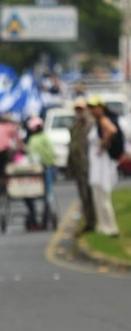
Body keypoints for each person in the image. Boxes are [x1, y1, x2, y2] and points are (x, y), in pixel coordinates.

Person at [86, 96, 120, 237]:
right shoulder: (96, 122)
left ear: (101, 107)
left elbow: (112, 130)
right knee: (98, 196)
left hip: (102, 164)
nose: (92, 110)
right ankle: (103, 226)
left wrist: (103, 144)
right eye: (91, 108)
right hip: (96, 164)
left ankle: (111, 227)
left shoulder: (103, 120)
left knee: (103, 196)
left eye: (94, 107)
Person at [67, 98, 96, 233]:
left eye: (81, 109)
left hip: (91, 165)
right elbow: (72, 146)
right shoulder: (74, 126)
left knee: (92, 195)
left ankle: (94, 221)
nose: (79, 112)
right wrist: (70, 165)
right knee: (83, 195)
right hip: (79, 166)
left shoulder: (92, 125)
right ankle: (89, 221)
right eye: (77, 109)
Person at [24, 117, 56, 230]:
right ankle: (45, 220)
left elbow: (32, 157)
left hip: (36, 171)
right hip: (47, 168)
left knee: (29, 195)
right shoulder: (46, 138)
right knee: (47, 194)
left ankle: (34, 218)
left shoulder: (33, 140)